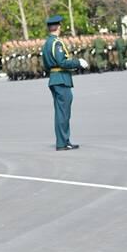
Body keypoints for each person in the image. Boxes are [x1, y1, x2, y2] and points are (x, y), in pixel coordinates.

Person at [42, 15, 88, 151]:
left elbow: (46, 64)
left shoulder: (47, 43)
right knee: (63, 113)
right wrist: (77, 62)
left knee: (60, 112)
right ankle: (63, 142)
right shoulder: (56, 43)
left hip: (55, 78)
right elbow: (62, 62)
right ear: (58, 27)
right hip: (61, 79)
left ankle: (63, 140)